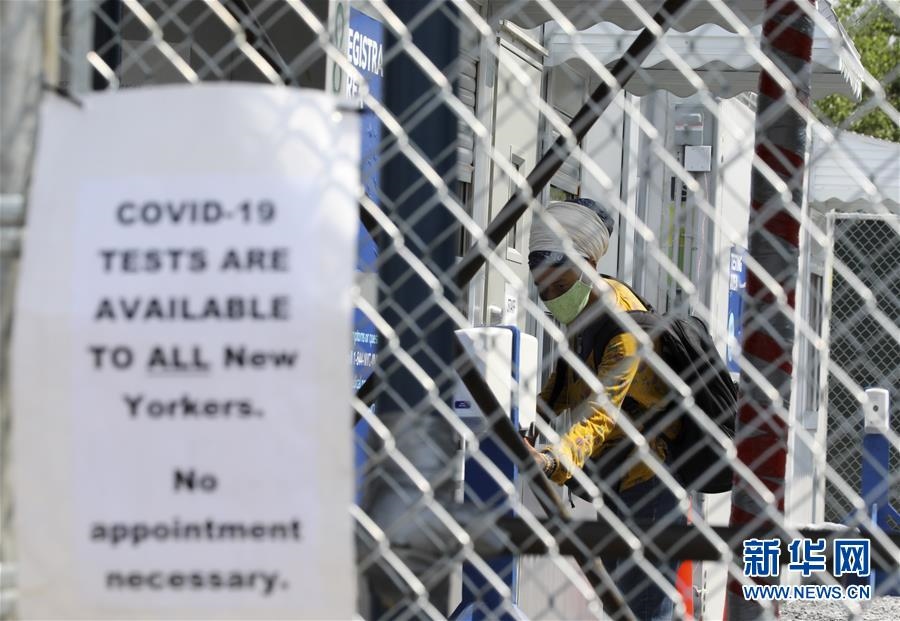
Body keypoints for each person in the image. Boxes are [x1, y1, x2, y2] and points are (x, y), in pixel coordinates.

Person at [525, 198, 685, 621]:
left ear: (589, 265)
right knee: (619, 603)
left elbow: (599, 413)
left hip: (649, 481)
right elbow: (564, 381)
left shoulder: (625, 327)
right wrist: (527, 418)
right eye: (544, 290)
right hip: (615, 477)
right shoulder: (585, 311)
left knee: (643, 608)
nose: (553, 298)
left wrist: (551, 460)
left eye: (560, 285)